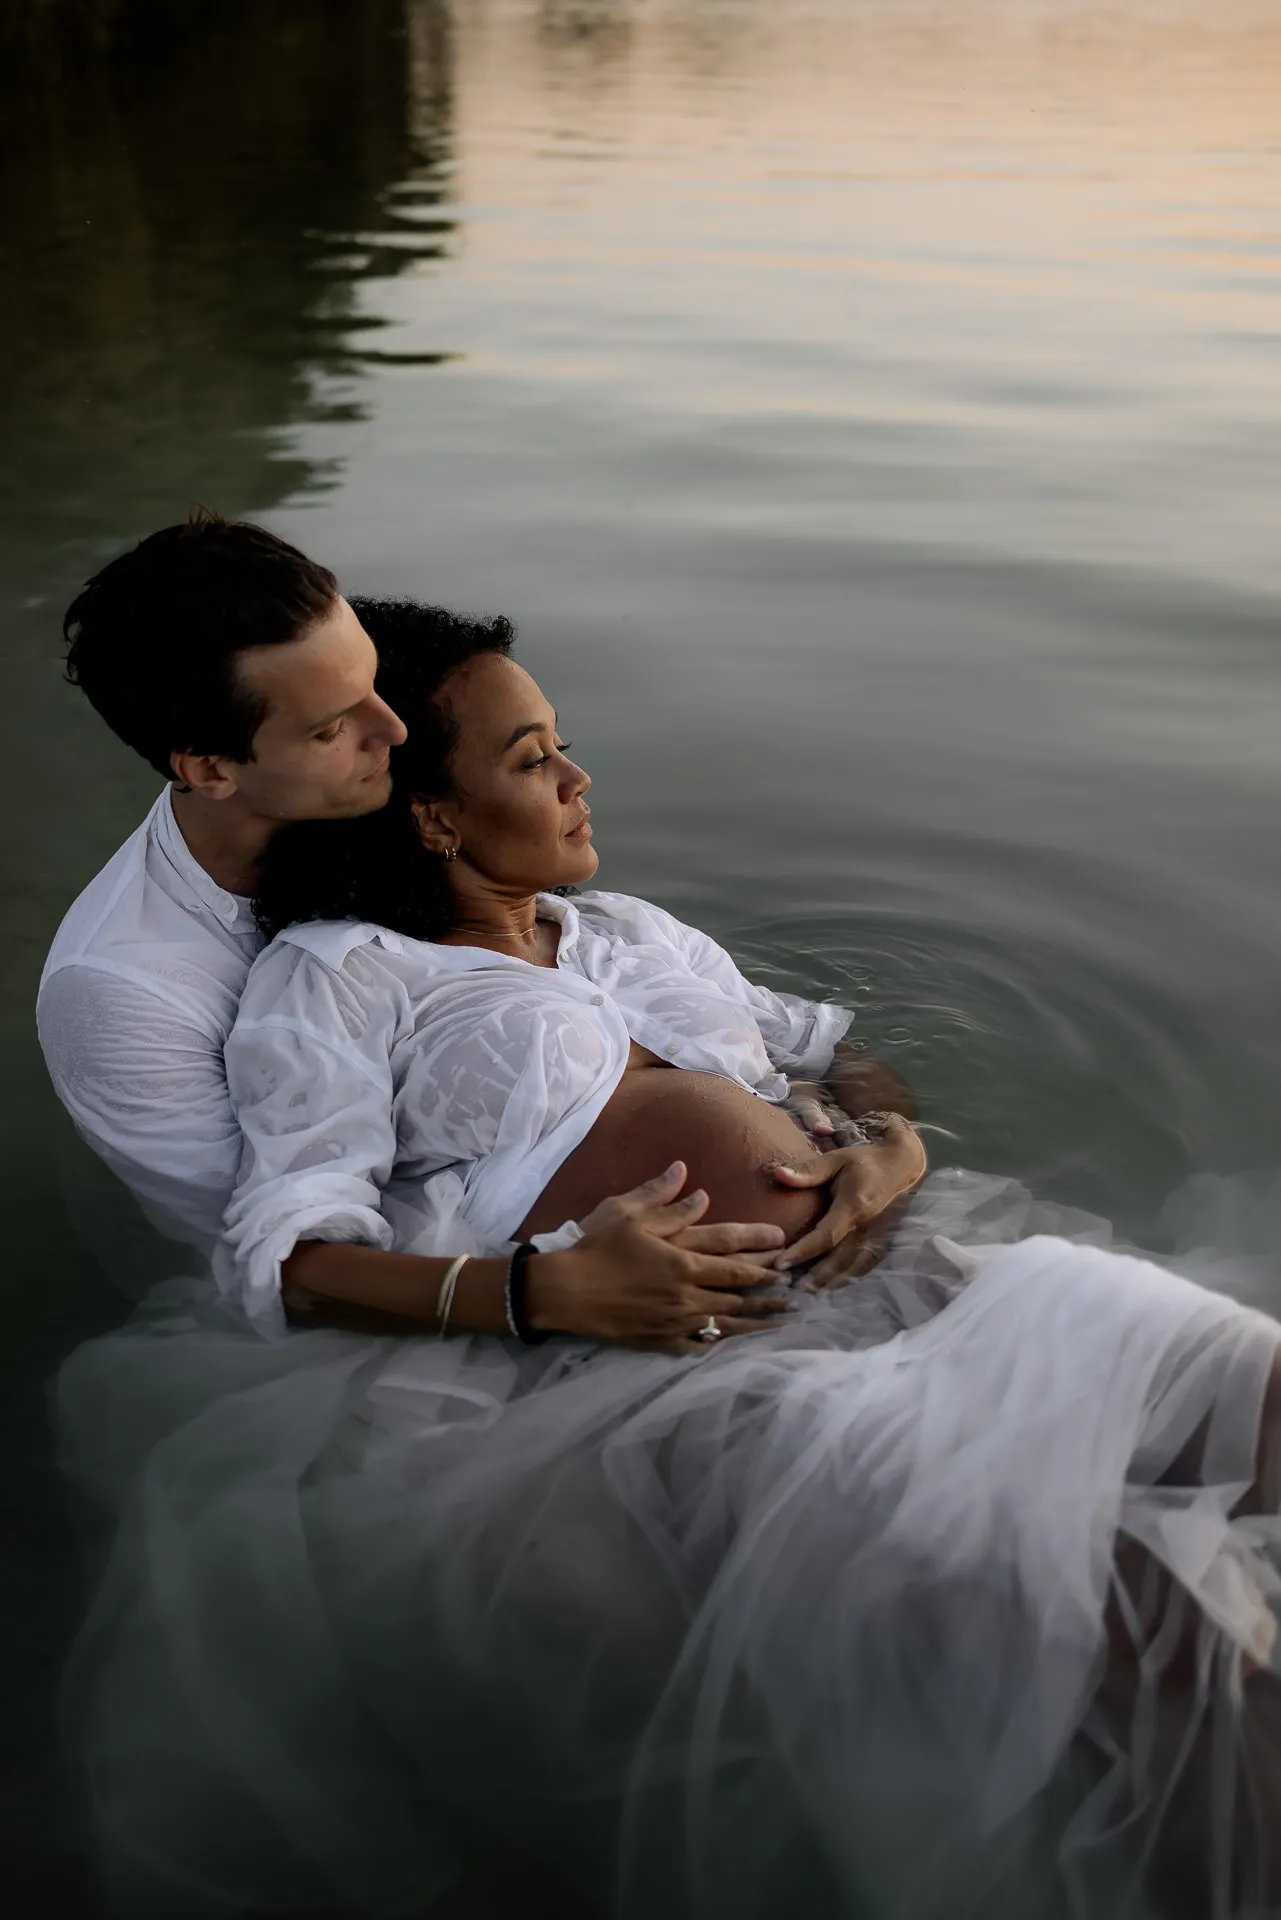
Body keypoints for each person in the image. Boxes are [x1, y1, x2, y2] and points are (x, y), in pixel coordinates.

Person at [56, 594, 1281, 1919]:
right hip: (717, 1369)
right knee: (1149, 1621)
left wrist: (888, 1145)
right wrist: (543, 1290)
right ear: (433, 815)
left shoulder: (629, 930)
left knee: (1265, 1402)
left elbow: (829, 1040)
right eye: (530, 760)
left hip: (928, 1273)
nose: (578, 779)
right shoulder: (347, 976)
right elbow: (285, 1254)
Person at [38, 510, 907, 1326]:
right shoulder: (126, 991)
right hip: (525, 1334)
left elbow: (770, 1040)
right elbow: (269, 1261)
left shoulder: (525, 896)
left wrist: (876, 1143)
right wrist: (544, 1296)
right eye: (337, 723)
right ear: (212, 769)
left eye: (376, 683)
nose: (394, 727)